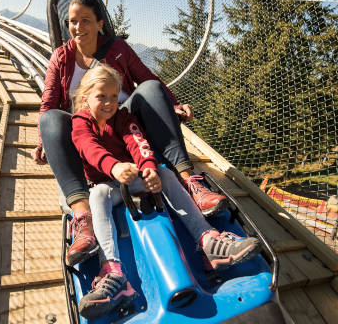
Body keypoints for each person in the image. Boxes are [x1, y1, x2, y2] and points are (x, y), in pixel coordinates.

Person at [33, 0, 228, 266]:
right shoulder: (61, 57)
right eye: (72, 21)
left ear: (100, 23)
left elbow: (148, 79)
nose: (78, 28)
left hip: (125, 122)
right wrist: (44, 142)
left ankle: (190, 182)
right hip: (87, 129)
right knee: (50, 118)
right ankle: (82, 218)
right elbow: (49, 102)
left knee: (149, 88)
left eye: (85, 20)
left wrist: (171, 105)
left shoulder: (119, 50)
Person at [70, 65, 260, 319]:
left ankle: (208, 241)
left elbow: (138, 143)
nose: (109, 103)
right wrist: (114, 167)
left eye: (114, 97)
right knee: (97, 196)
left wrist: (149, 170)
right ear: (85, 99)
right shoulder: (80, 123)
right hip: (107, 182)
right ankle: (113, 273)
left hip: (134, 177)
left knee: (166, 173)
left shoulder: (124, 118)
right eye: (101, 96)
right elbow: (88, 147)